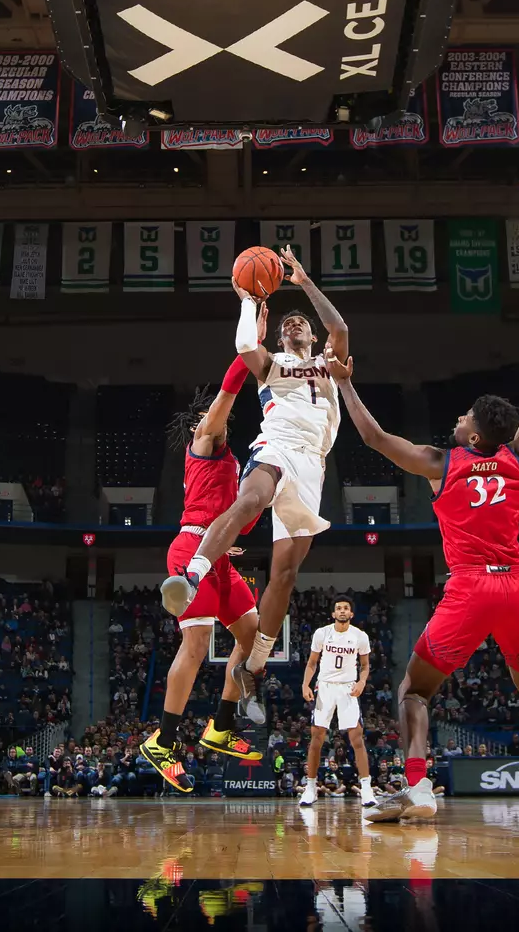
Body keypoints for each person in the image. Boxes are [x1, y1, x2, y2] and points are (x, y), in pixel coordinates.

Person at [333, 326, 519, 823]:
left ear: (473, 436)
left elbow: (374, 438)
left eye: (465, 417)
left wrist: (345, 382)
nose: (458, 417)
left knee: (414, 690)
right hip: (515, 587)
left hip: (471, 586)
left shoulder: (442, 463)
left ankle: (418, 788)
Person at [164, 247, 347, 716]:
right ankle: (193, 574)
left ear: (312, 334)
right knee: (250, 498)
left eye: (300, 323)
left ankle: (256, 662)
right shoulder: (271, 364)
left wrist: (304, 282)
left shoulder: (331, 362)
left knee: (285, 574)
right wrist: (248, 301)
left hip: (313, 465)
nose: (294, 325)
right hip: (276, 446)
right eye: (287, 325)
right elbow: (246, 347)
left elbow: (341, 329)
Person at [139, 354, 268, 792]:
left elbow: (233, 516)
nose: (218, 419)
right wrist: (248, 352)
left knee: (253, 636)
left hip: (219, 556)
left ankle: (221, 727)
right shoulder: (204, 438)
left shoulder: (231, 459)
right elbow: (226, 396)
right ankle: (163, 742)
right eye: (211, 414)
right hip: (191, 549)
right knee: (195, 646)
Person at [298, 598, 376, 807]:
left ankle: (366, 788)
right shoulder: (322, 633)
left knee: (356, 737)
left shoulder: (360, 636)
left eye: (346, 608)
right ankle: (311, 787)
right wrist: (305, 685)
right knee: (317, 737)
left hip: (348, 687)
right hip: (325, 686)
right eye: (338, 608)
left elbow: (365, 665)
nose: (342, 611)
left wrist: (361, 682)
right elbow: (312, 663)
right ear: (333, 614)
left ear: (351, 614)